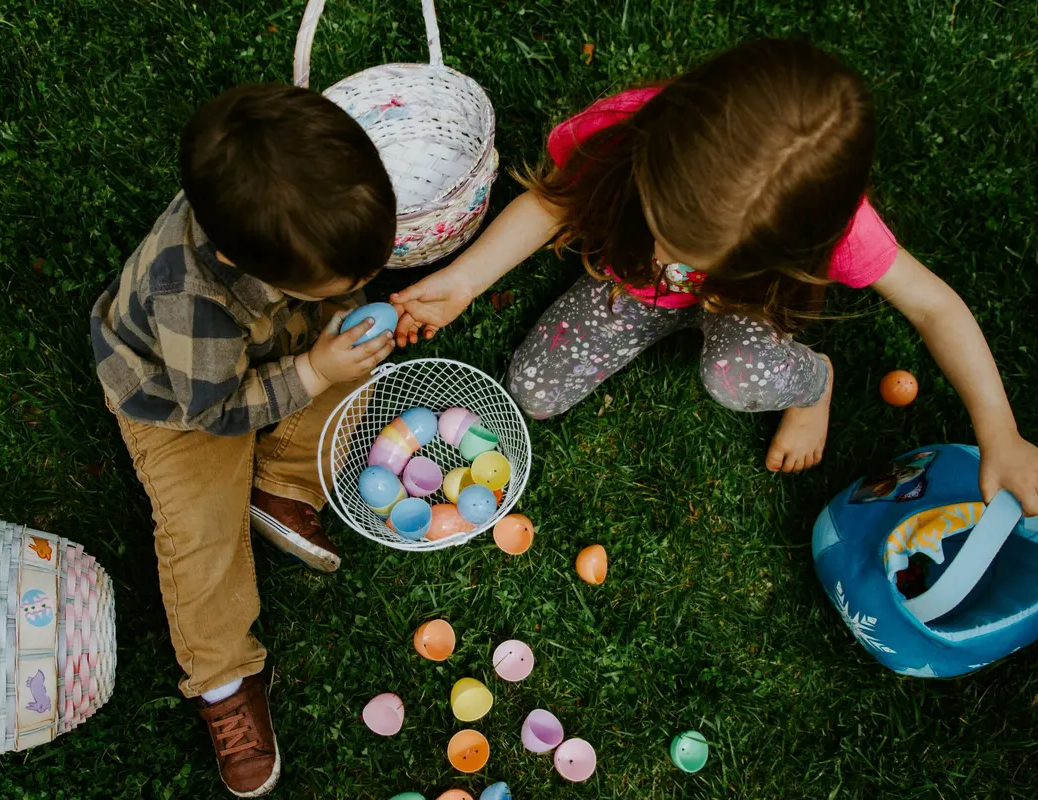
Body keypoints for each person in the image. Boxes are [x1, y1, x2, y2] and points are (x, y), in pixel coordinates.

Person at [390, 38, 1038, 515]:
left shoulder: (839, 227)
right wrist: (468, 279)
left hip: (746, 311)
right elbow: (553, 202)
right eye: (661, 219)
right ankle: (658, 314)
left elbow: (936, 308)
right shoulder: (628, 128)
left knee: (732, 377)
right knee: (531, 391)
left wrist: (999, 431)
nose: (676, 254)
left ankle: (814, 383)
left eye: (704, 252)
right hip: (630, 288)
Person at [90, 84, 396, 797]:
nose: (362, 285)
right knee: (200, 531)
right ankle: (223, 674)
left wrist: (347, 325)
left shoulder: (290, 218)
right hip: (180, 403)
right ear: (239, 258)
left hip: (267, 349)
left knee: (365, 373)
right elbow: (219, 412)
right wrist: (317, 367)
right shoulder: (191, 301)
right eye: (344, 280)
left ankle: (280, 483)